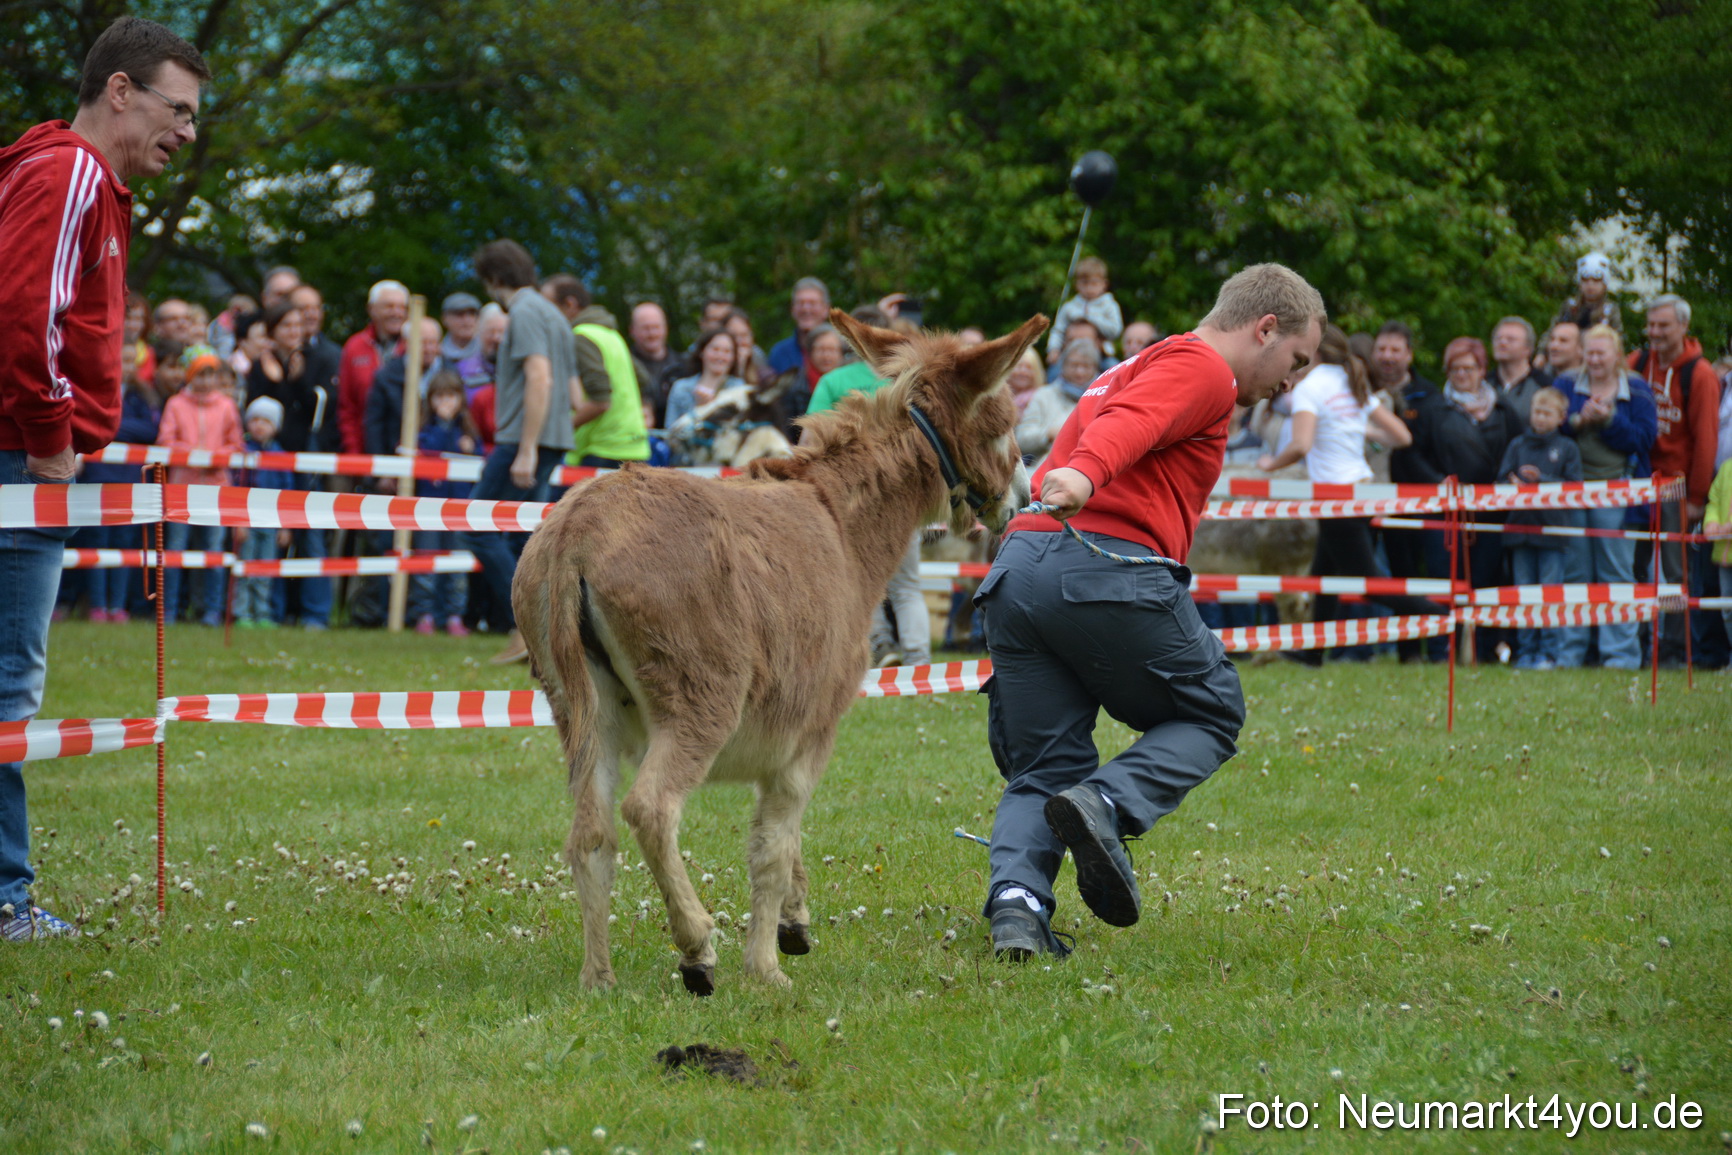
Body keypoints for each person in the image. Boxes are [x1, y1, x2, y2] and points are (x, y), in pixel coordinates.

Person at [977, 263, 1324, 960]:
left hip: (1019, 572)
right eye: (1297, 359)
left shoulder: (1132, 365)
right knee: (1212, 710)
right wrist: (1085, 474)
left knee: (1043, 767)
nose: (1295, 380)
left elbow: (1111, 425)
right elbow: (1131, 428)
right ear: (1264, 328)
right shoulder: (1204, 370)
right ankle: (1106, 804)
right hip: (1101, 565)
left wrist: (1061, 478)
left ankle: (1017, 908)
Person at [0, 16, 210, 938]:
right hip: (20, 461)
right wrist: (52, 437)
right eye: (181, 109)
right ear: (119, 91)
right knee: (8, 688)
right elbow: (22, 319)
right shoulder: (71, 173)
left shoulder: (71, 177)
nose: (189, 131)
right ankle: (6, 899)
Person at [1255, 325, 1430, 657]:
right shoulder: (1350, 382)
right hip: (1361, 491)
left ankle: (1448, 617)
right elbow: (1401, 437)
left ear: (1313, 351)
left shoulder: (1311, 388)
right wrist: (1358, 429)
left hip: (1337, 497)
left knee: (1370, 584)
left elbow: (1301, 444)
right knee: (1324, 575)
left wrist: (1269, 465)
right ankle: (1313, 654)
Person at [801, 305, 930, 668]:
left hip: (855, 498)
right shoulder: (909, 380)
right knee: (907, 586)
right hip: (904, 496)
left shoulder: (835, 381)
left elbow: (809, 439)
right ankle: (919, 659)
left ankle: (880, 647)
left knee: (862, 579)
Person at [467, 239, 576, 664]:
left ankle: (529, 626)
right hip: (553, 434)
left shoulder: (525, 312)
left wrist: (526, 448)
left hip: (523, 439)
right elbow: (571, 388)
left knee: (478, 525)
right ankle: (540, 633)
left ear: (494, 279)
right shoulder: (554, 313)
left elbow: (540, 377)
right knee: (522, 536)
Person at [1628, 293, 1721, 667]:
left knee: (1675, 571)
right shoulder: (1635, 363)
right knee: (1631, 564)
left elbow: (1706, 438)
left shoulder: (1698, 374)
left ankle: (1674, 650)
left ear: (1683, 326)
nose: (1655, 332)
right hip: (1636, 484)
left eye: (1663, 325)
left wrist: (1697, 496)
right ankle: (1634, 644)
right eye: (1650, 325)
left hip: (1676, 487)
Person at [1557, 325, 1656, 670]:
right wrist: (1578, 420)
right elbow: (1549, 427)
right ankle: (1571, 654)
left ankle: (1621, 657)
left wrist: (1610, 419)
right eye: (1590, 352)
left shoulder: (1638, 389)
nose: (1595, 359)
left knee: (1616, 573)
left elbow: (1644, 439)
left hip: (1619, 490)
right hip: (1572, 490)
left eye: (1602, 353)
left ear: (1617, 355)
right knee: (1575, 573)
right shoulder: (1566, 384)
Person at [1496, 387, 1583, 669]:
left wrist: (1542, 480)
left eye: (1547, 413)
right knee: (1522, 593)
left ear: (1560, 417)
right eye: (1537, 412)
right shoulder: (1517, 445)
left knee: (1550, 593)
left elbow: (1574, 488)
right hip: (1519, 531)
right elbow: (1499, 482)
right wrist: (1512, 486)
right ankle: (1525, 651)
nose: (1541, 418)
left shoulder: (1568, 447)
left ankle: (1549, 653)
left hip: (1553, 533)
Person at [158, 347, 244, 625]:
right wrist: (191, 453)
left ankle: (211, 610)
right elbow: (165, 442)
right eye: (201, 374)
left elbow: (236, 445)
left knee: (215, 550)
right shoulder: (175, 404)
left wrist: (216, 459)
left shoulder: (227, 406)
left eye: (211, 374)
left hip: (218, 487)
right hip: (181, 487)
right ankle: (169, 609)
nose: (206, 380)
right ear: (190, 375)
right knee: (175, 549)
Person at [541, 274, 650, 469]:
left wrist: (559, 430)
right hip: (634, 446)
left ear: (570, 304)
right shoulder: (610, 334)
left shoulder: (581, 337)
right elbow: (642, 378)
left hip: (602, 449)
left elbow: (601, 401)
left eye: (548, 307)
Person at [412, 371, 476, 637]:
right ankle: (425, 615)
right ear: (431, 400)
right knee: (426, 563)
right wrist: (442, 427)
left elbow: (478, 463)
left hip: (459, 509)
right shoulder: (424, 431)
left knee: (458, 567)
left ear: (461, 398)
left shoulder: (469, 433)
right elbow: (428, 452)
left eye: (451, 395)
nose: (446, 402)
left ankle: (453, 615)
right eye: (440, 396)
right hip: (429, 508)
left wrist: (470, 447)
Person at [235, 397, 294, 628]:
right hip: (247, 520)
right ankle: (242, 613)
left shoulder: (281, 457)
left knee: (266, 569)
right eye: (255, 420)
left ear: (275, 426)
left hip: (271, 522)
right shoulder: (242, 453)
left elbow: (287, 493)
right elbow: (237, 489)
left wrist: (285, 526)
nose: (259, 425)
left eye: (266, 421)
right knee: (244, 567)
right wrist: (237, 522)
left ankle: (262, 612)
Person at [337, 279, 408, 454]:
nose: (396, 313)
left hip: (406, 449)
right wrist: (354, 453)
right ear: (371, 309)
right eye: (389, 306)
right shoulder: (354, 347)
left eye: (402, 307)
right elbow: (347, 406)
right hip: (364, 449)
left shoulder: (415, 347)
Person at [1016, 338, 1100, 461]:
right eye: (1074, 365)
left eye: (1086, 366)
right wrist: (1048, 434)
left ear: (1095, 369)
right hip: (1045, 470)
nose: (1079, 372)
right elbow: (1021, 439)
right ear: (1063, 365)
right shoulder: (1044, 395)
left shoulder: (1102, 399)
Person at [664, 328, 746, 432]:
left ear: (733, 358)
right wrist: (698, 409)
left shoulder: (738, 388)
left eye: (727, 351)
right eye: (715, 349)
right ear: (702, 352)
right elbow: (671, 432)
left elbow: (739, 431)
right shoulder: (681, 388)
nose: (720, 356)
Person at [1046, 255, 1123, 363]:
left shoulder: (1110, 305)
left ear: (1104, 284)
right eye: (1085, 283)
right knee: (1053, 372)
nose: (1089, 288)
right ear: (1077, 284)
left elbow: (1115, 331)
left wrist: (1091, 318)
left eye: (1094, 283)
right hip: (1070, 356)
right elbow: (1058, 331)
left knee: (1113, 367)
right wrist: (1053, 349)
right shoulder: (1069, 307)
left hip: (1102, 355)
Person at [766, 277, 831, 386]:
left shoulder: (841, 350)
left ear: (826, 309)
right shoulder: (779, 353)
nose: (806, 309)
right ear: (792, 309)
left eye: (812, 303)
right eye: (800, 303)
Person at [1488, 316, 1551, 423]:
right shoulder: (1483, 384)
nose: (1502, 343)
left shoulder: (1545, 386)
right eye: (1498, 338)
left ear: (1528, 349)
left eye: (1511, 339)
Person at [1554, 252, 1621, 334]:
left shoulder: (1610, 312)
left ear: (1604, 285)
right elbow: (1552, 333)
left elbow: (1617, 341)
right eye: (1585, 280)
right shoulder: (1569, 307)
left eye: (1596, 280)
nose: (1590, 285)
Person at [440, 292, 483, 364]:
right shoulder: (436, 355)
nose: (467, 320)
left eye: (472, 314)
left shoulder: (488, 353)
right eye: (459, 314)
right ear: (444, 319)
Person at [1006, 347, 1043, 416]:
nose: (1023, 372)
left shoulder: (1041, 399)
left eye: (1029, 368)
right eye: (1019, 366)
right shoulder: (998, 397)